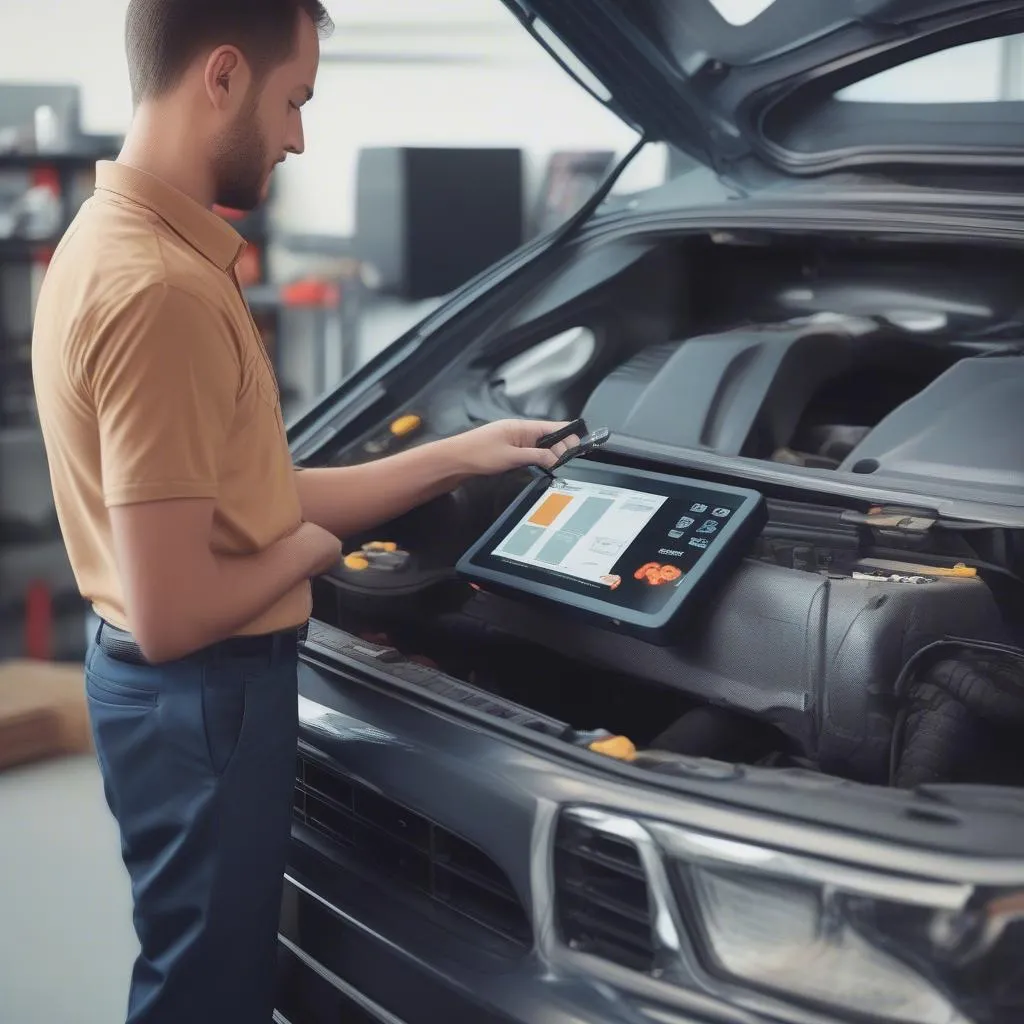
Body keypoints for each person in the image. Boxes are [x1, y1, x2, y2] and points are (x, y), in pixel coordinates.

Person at [30, 2, 576, 1021]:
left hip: (177, 696)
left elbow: (242, 501)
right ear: (224, 76)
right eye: (296, 100)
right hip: (203, 690)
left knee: (212, 963)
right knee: (207, 991)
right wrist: (320, 545)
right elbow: (178, 608)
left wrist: (455, 457)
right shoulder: (160, 291)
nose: (298, 136)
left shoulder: (116, 242)